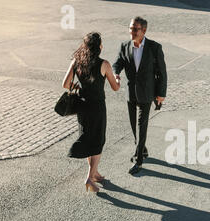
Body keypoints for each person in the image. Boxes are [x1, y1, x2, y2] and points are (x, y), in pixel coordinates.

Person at [62, 32, 120, 193]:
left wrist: (78, 88)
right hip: (97, 107)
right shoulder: (104, 64)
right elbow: (115, 87)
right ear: (99, 47)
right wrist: (118, 79)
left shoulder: (77, 62)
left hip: (82, 106)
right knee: (98, 141)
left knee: (88, 139)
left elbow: (65, 84)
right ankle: (89, 177)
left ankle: (94, 174)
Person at [112, 16, 167, 175]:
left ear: (144, 31)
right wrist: (116, 74)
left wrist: (161, 94)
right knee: (133, 125)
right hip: (130, 92)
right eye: (130, 28)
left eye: (135, 29)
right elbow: (118, 63)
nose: (131, 31)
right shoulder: (125, 46)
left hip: (147, 92)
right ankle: (142, 148)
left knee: (141, 126)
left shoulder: (154, 48)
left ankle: (139, 160)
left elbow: (162, 73)